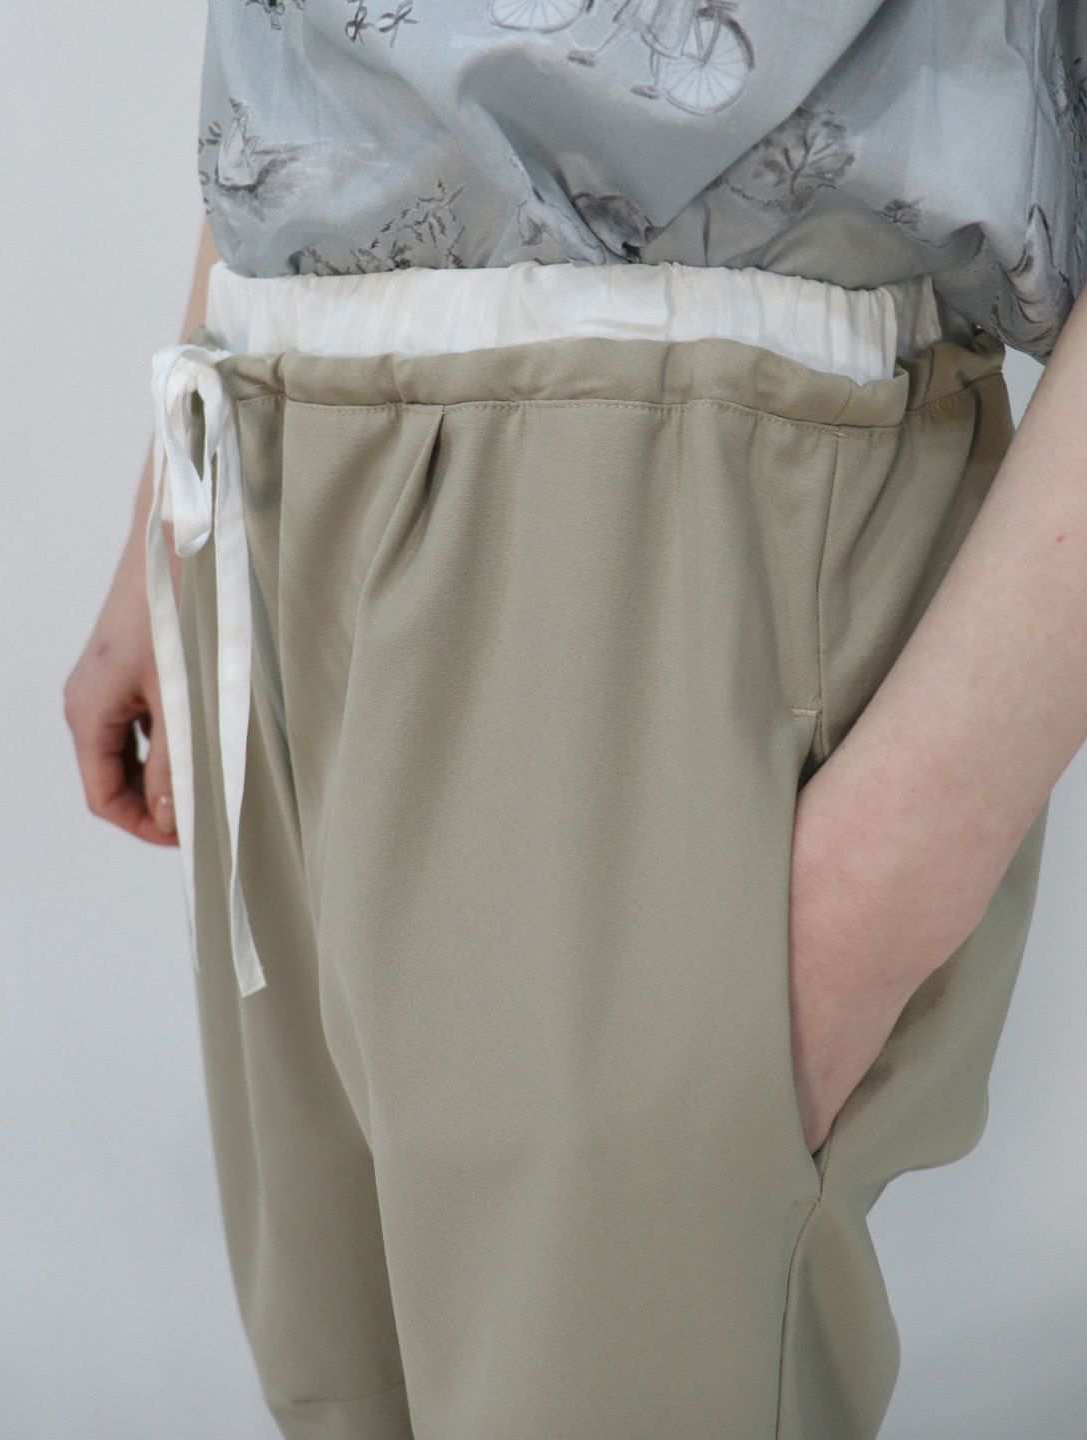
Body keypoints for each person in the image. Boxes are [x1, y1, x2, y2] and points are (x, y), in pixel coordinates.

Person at [63, 3, 1087, 1436]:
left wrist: (881, 886)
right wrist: (162, 513)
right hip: (269, 470)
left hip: (673, 497)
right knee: (346, 1389)